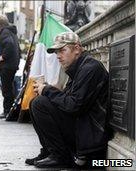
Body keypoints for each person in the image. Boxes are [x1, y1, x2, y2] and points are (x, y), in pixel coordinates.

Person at [25, 32, 111, 168]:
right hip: (82, 126)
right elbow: (70, 101)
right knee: (36, 102)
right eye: (56, 52)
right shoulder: (78, 68)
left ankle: (60, 156)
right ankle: (50, 151)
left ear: (76, 49)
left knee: (40, 104)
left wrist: (47, 90)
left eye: (62, 51)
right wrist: (49, 89)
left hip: (91, 137)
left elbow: (73, 106)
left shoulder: (90, 68)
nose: (58, 56)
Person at [0, 15, 20, 119]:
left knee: (6, 89)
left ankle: (7, 111)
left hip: (7, 66)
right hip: (12, 65)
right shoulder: (11, 32)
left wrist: (2, 57)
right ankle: (11, 111)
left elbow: (9, 45)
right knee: (10, 88)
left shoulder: (5, 32)